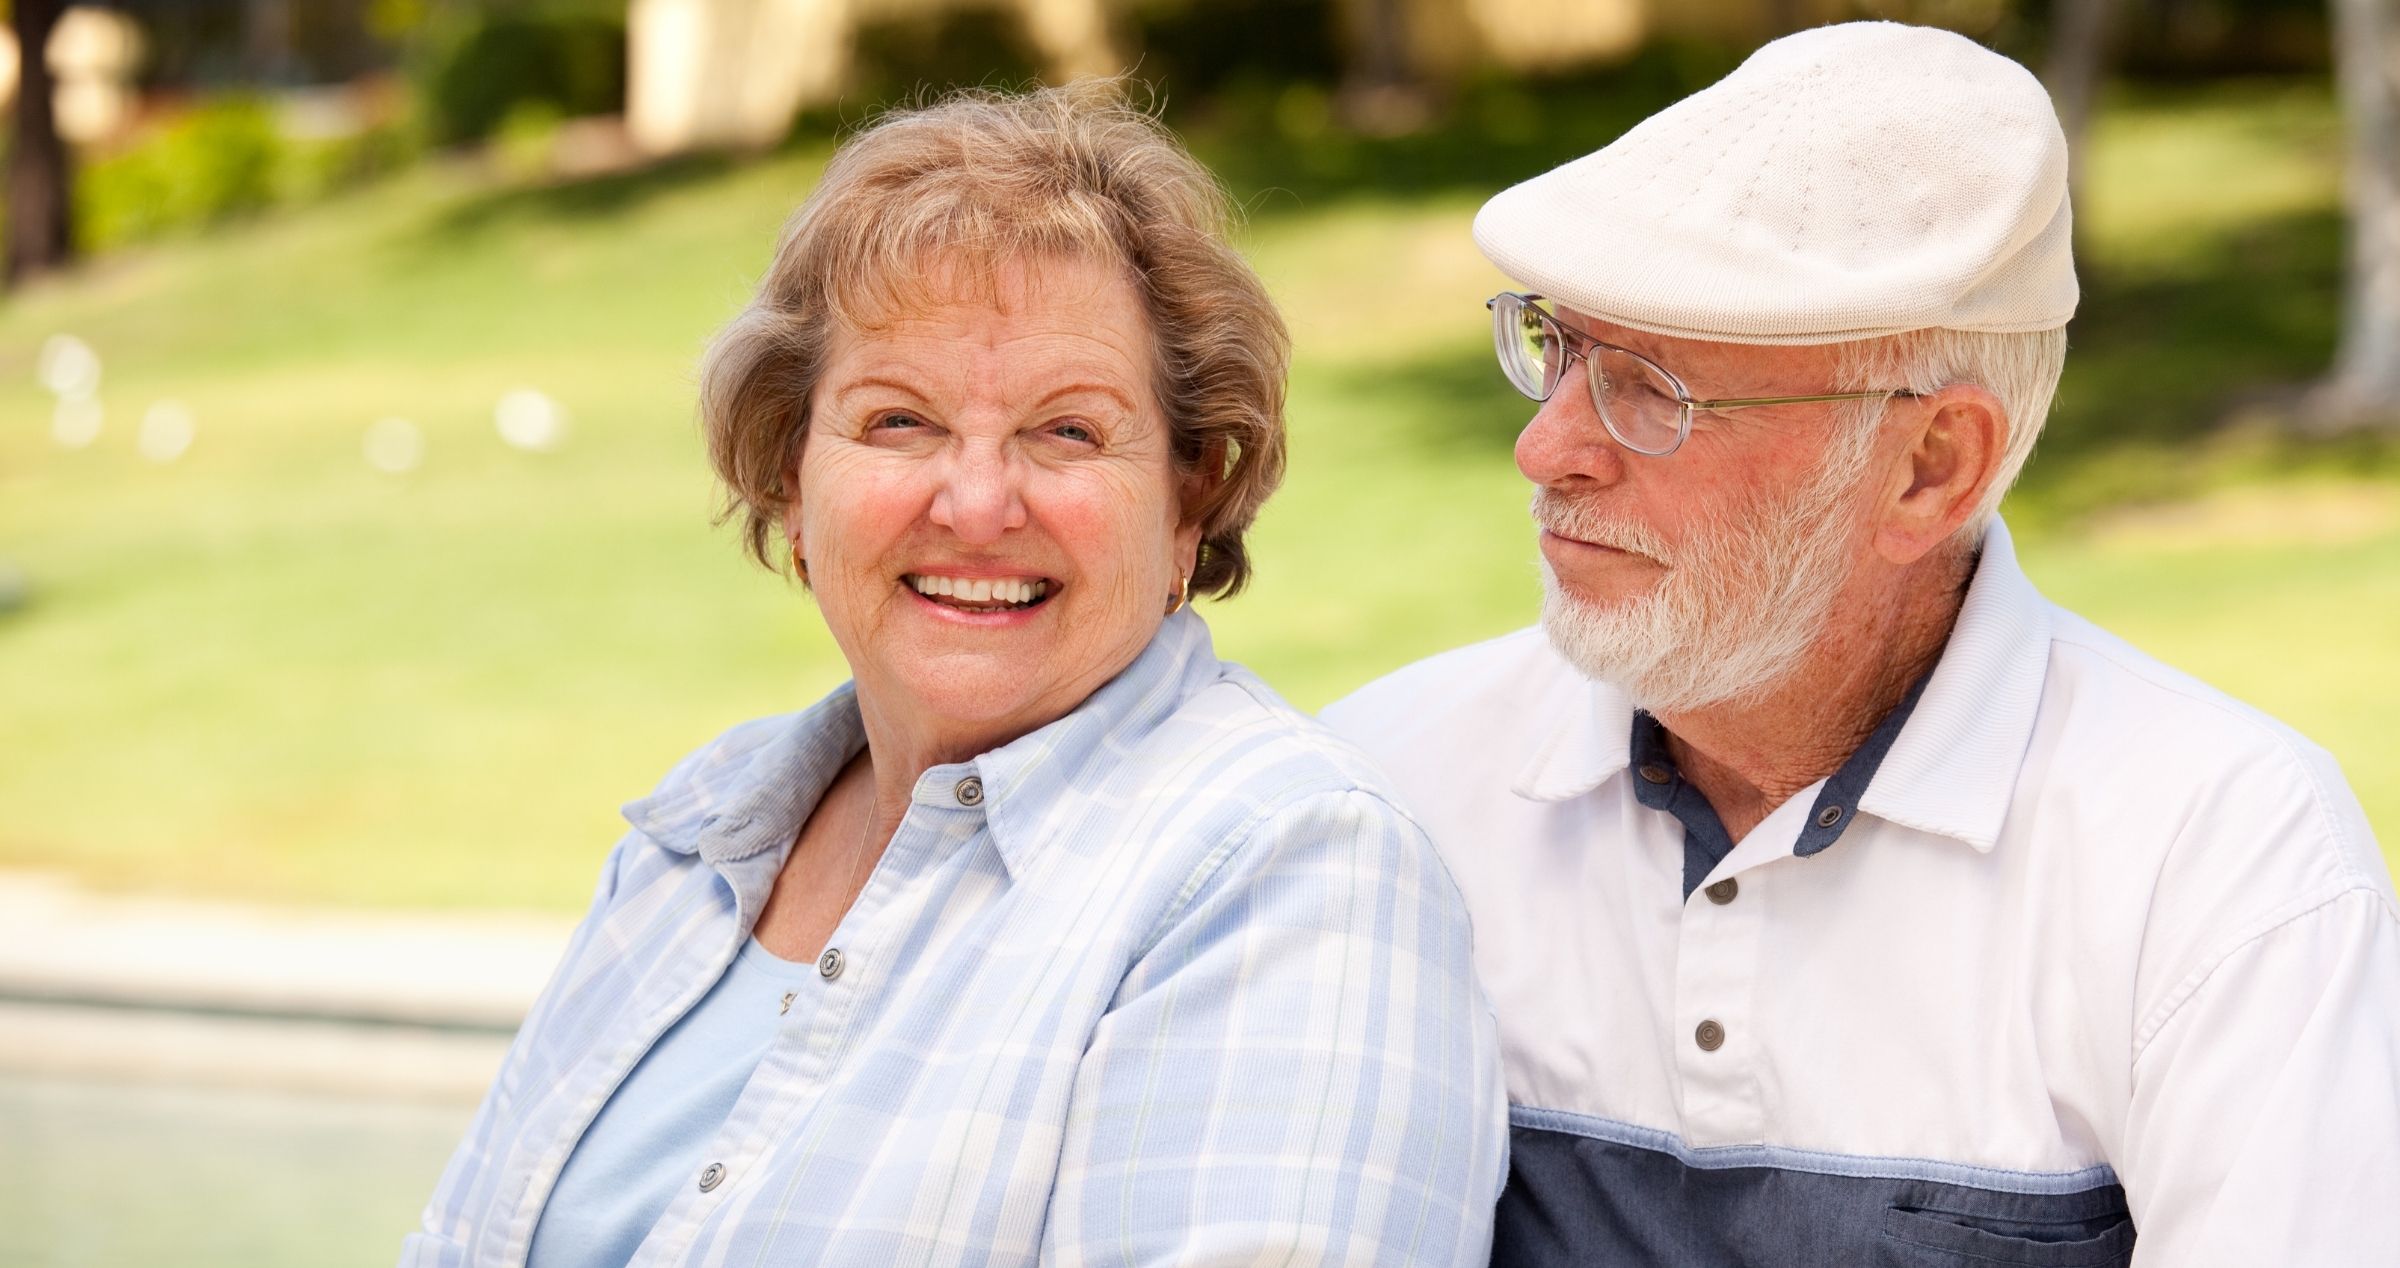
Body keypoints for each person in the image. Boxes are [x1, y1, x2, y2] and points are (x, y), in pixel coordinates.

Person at [1326, 22, 2400, 1268]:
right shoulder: (1385, 793)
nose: (1548, 446)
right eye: (1558, 349)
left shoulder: (2221, 863)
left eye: (1653, 389)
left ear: (1932, 467)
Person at [405, 85, 1505, 1268]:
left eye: (1068, 431)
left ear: (1191, 496)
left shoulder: (1285, 872)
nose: (977, 503)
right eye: (898, 423)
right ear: (792, 474)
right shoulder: (696, 838)